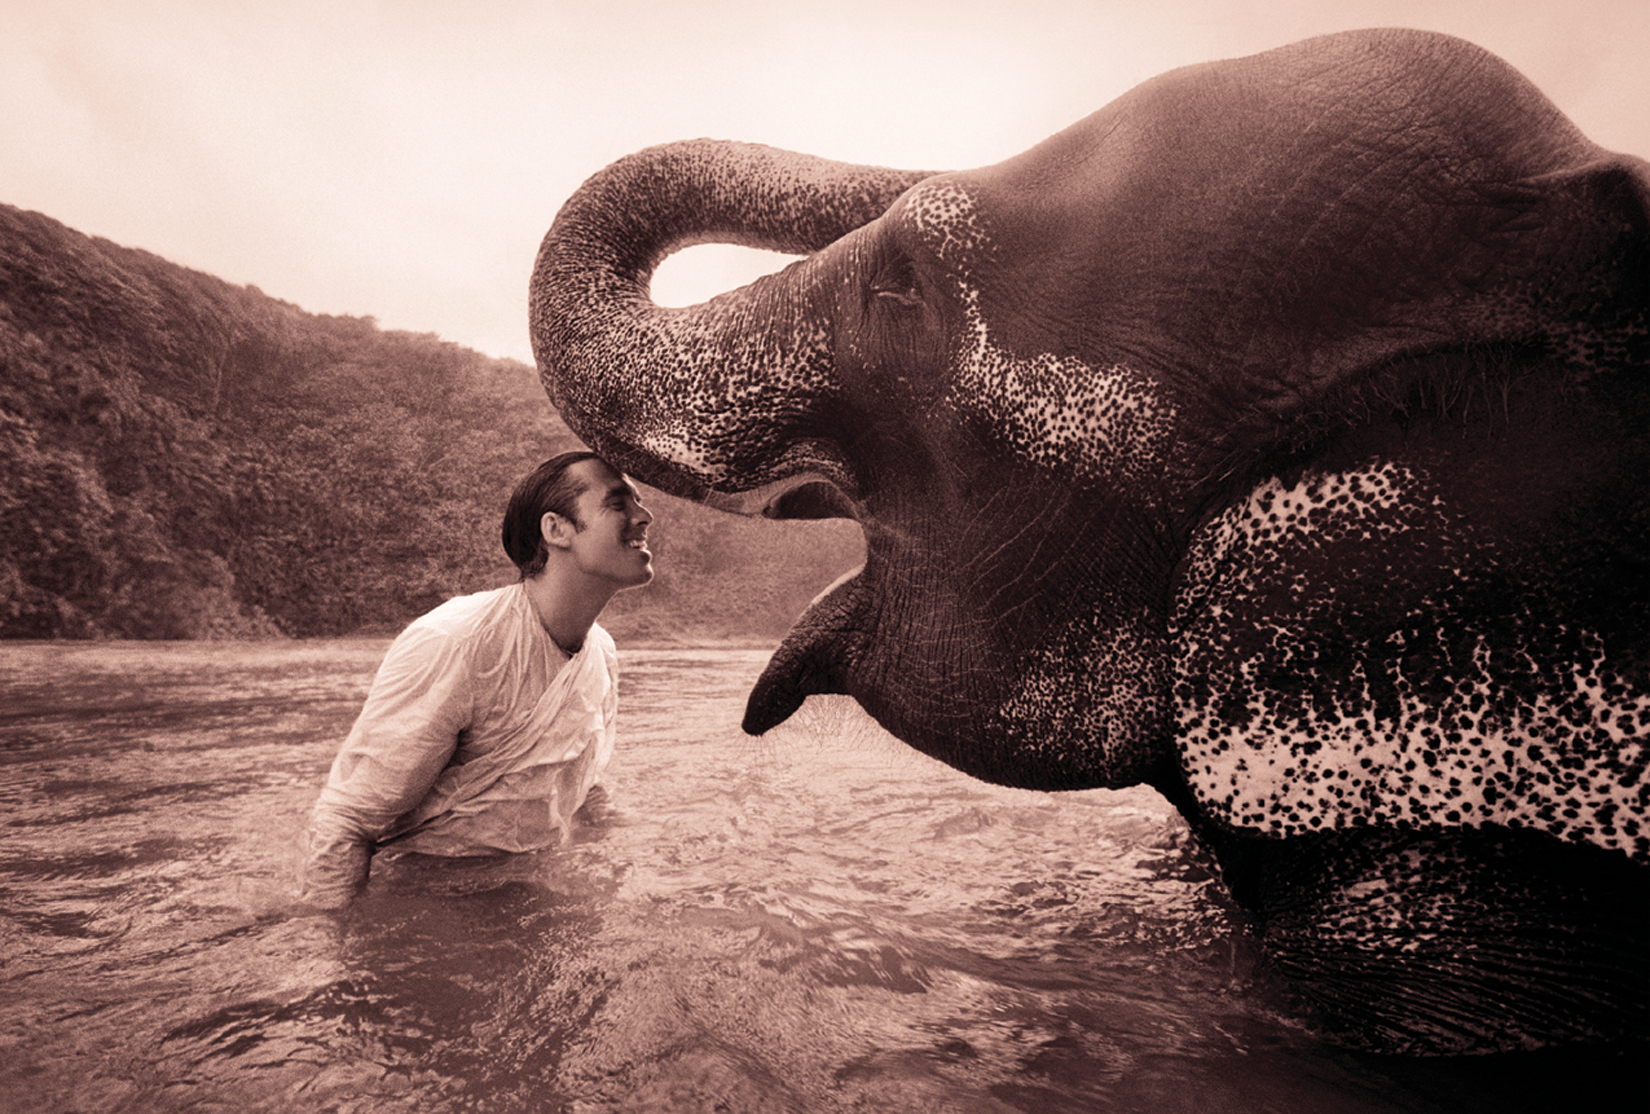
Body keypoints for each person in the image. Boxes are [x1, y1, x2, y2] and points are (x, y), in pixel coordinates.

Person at [298, 451, 654, 906]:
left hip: (523, 889)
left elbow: (579, 780)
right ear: (556, 530)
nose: (644, 516)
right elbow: (345, 821)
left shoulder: (600, 651)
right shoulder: (458, 641)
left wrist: (634, 858)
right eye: (619, 503)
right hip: (422, 902)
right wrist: (329, 960)